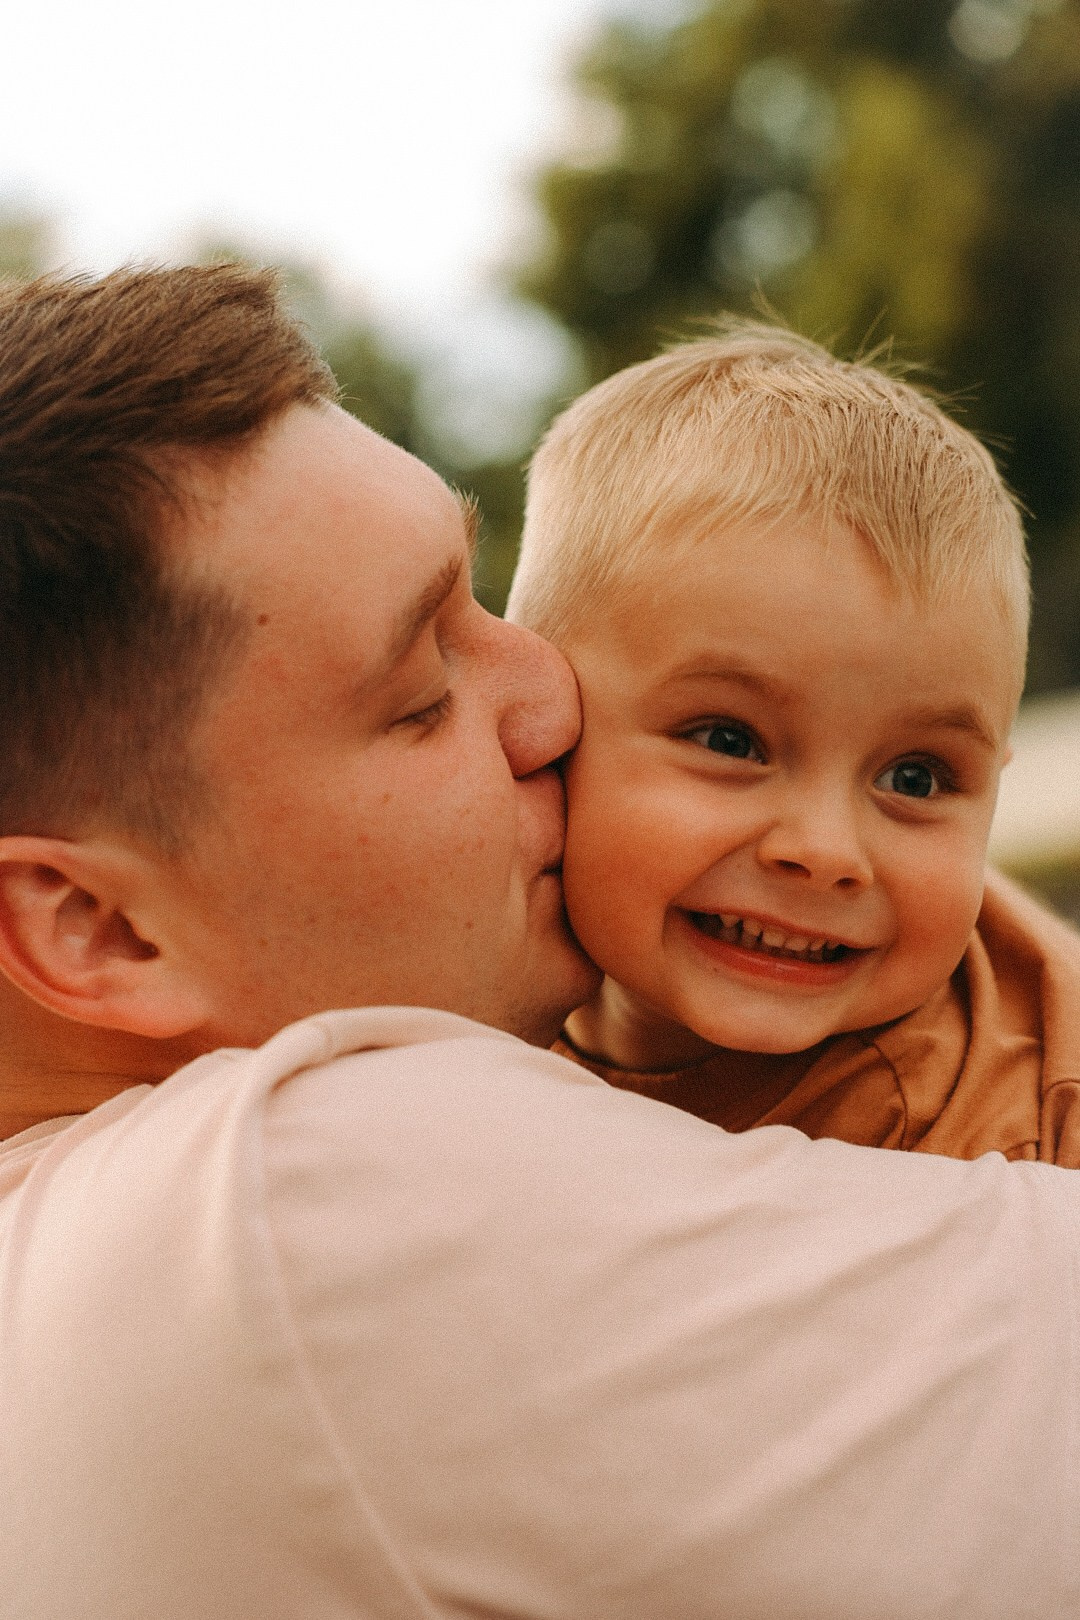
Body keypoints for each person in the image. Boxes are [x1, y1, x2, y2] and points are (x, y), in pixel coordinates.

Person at [1, 268, 1079, 1620]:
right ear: (97, 927)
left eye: (482, 600)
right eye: (422, 688)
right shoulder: (292, 1204)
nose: (552, 692)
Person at [507, 319, 1080, 1165]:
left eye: (916, 778)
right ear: (544, 709)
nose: (826, 850)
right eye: (731, 740)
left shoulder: (973, 1155)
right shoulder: (450, 962)